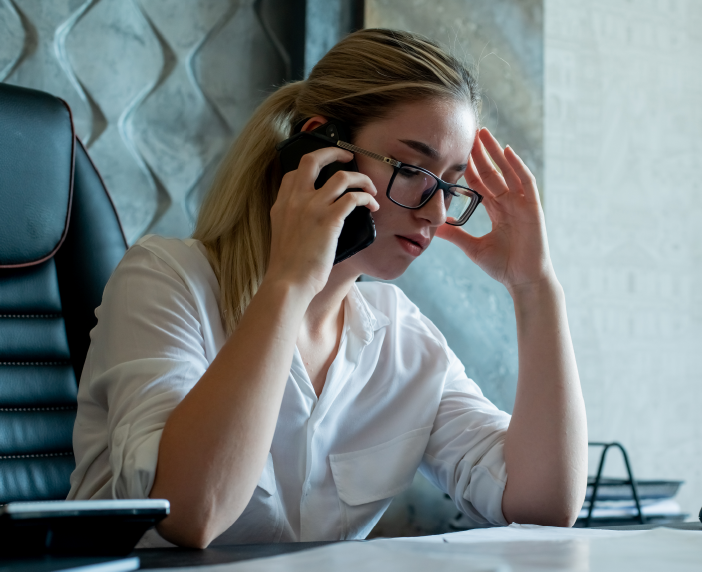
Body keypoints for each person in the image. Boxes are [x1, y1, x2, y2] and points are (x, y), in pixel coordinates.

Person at [67, 29, 587, 548]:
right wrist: (290, 284)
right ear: (321, 151)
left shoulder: (402, 339)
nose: (436, 212)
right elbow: (188, 513)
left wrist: (535, 287)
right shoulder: (164, 281)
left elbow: (541, 505)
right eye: (411, 170)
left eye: (449, 183)